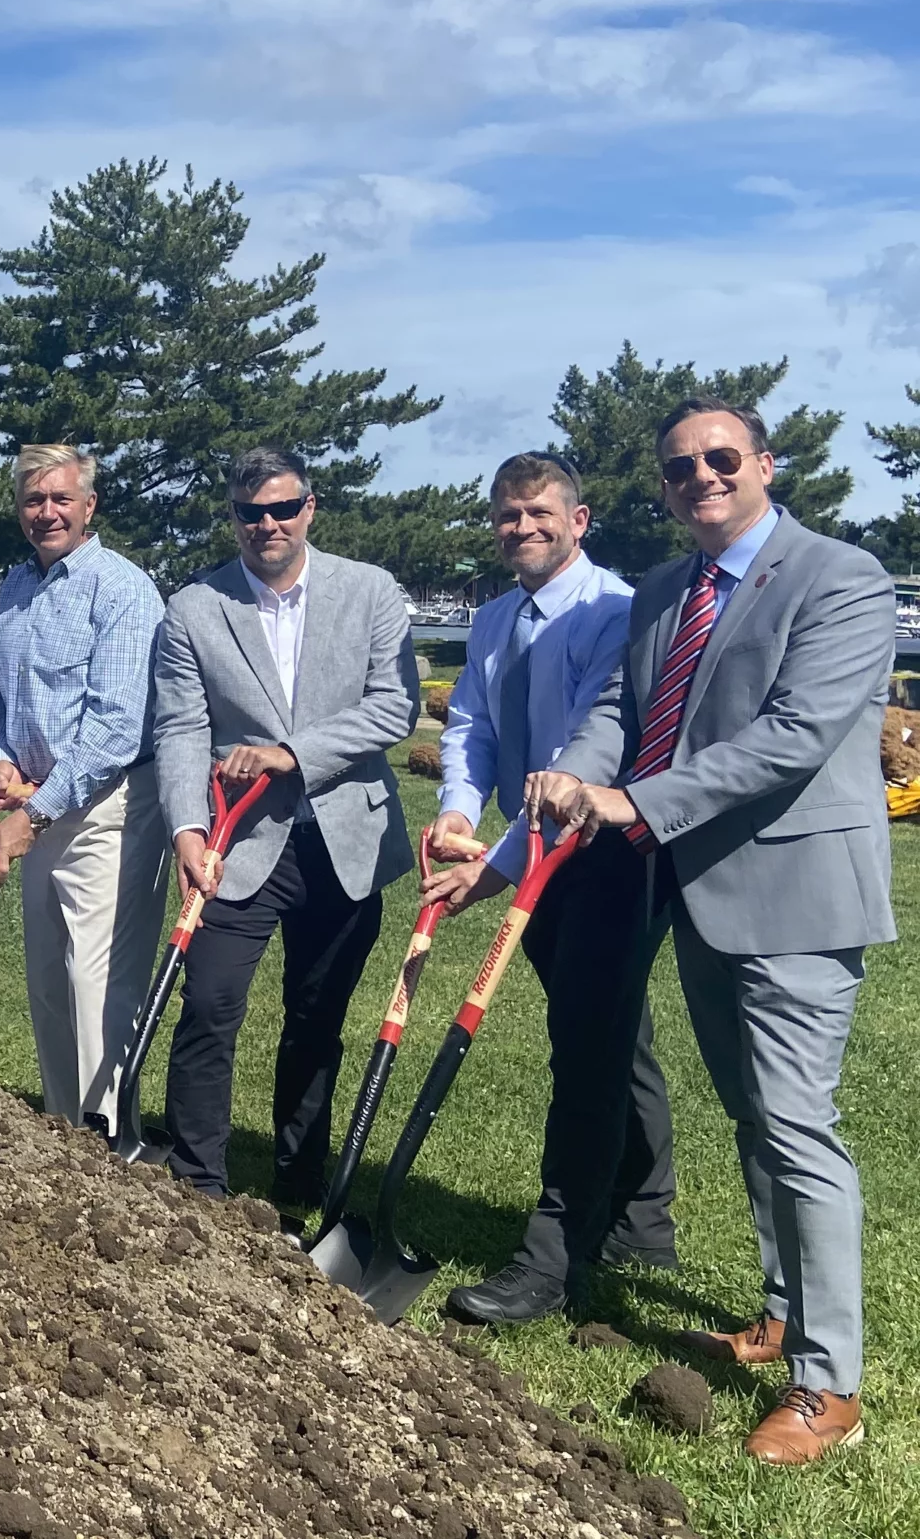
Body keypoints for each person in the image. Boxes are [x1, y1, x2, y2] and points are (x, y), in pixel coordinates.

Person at [530, 397, 896, 1467]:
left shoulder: (840, 577)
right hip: (704, 895)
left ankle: (827, 1382)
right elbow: (620, 709)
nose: (701, 476)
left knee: (796, 1125)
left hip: (799, 897)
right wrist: (580, 770)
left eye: (721, 457)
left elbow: (791, 738)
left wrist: (635, 806)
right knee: (751, 1115)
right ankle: (779, 1315)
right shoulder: (660, 592)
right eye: (680, 467)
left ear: (764, 464)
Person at [418, 454, 675, 1325]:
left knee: (586, 1045)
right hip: (535, 855)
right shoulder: (493, 621)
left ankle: (555, 1257)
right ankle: (643, 1219)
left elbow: (586, 752)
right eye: (507, 515)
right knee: (612, 1036)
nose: (521, 527)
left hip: (604, 853)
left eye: (537, 513)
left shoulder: (616, 612)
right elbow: (472, 728)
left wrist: (493, 870)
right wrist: (458, 815)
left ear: (579, 518)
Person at [150, 446, 419, 1206]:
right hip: (236, 841)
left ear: (310, 507)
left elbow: (394, 707)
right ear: (232, 517)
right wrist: (186, 832)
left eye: (282, 508)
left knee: (316, 1017)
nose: (266, 523)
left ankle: (296, 1184)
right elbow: (179, 730)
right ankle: (195, 1185)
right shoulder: (194, 607)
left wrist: (289, 754)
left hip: (345, 839)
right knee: (208, 1004)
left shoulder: (371, 591)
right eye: (249, 512)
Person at [0, 445, 170, 1129]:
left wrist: (34, 811)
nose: (47, 511)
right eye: (34, 499)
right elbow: (6, 702)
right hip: (37, 804)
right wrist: (2, 761)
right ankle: (67, 1140)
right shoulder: (14, 589)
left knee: (99, 986)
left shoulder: (122, 590)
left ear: (89, 506)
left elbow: (117, 725)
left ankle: (113, 1146)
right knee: (50, 986)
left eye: (61, 498)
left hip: (110, 808)